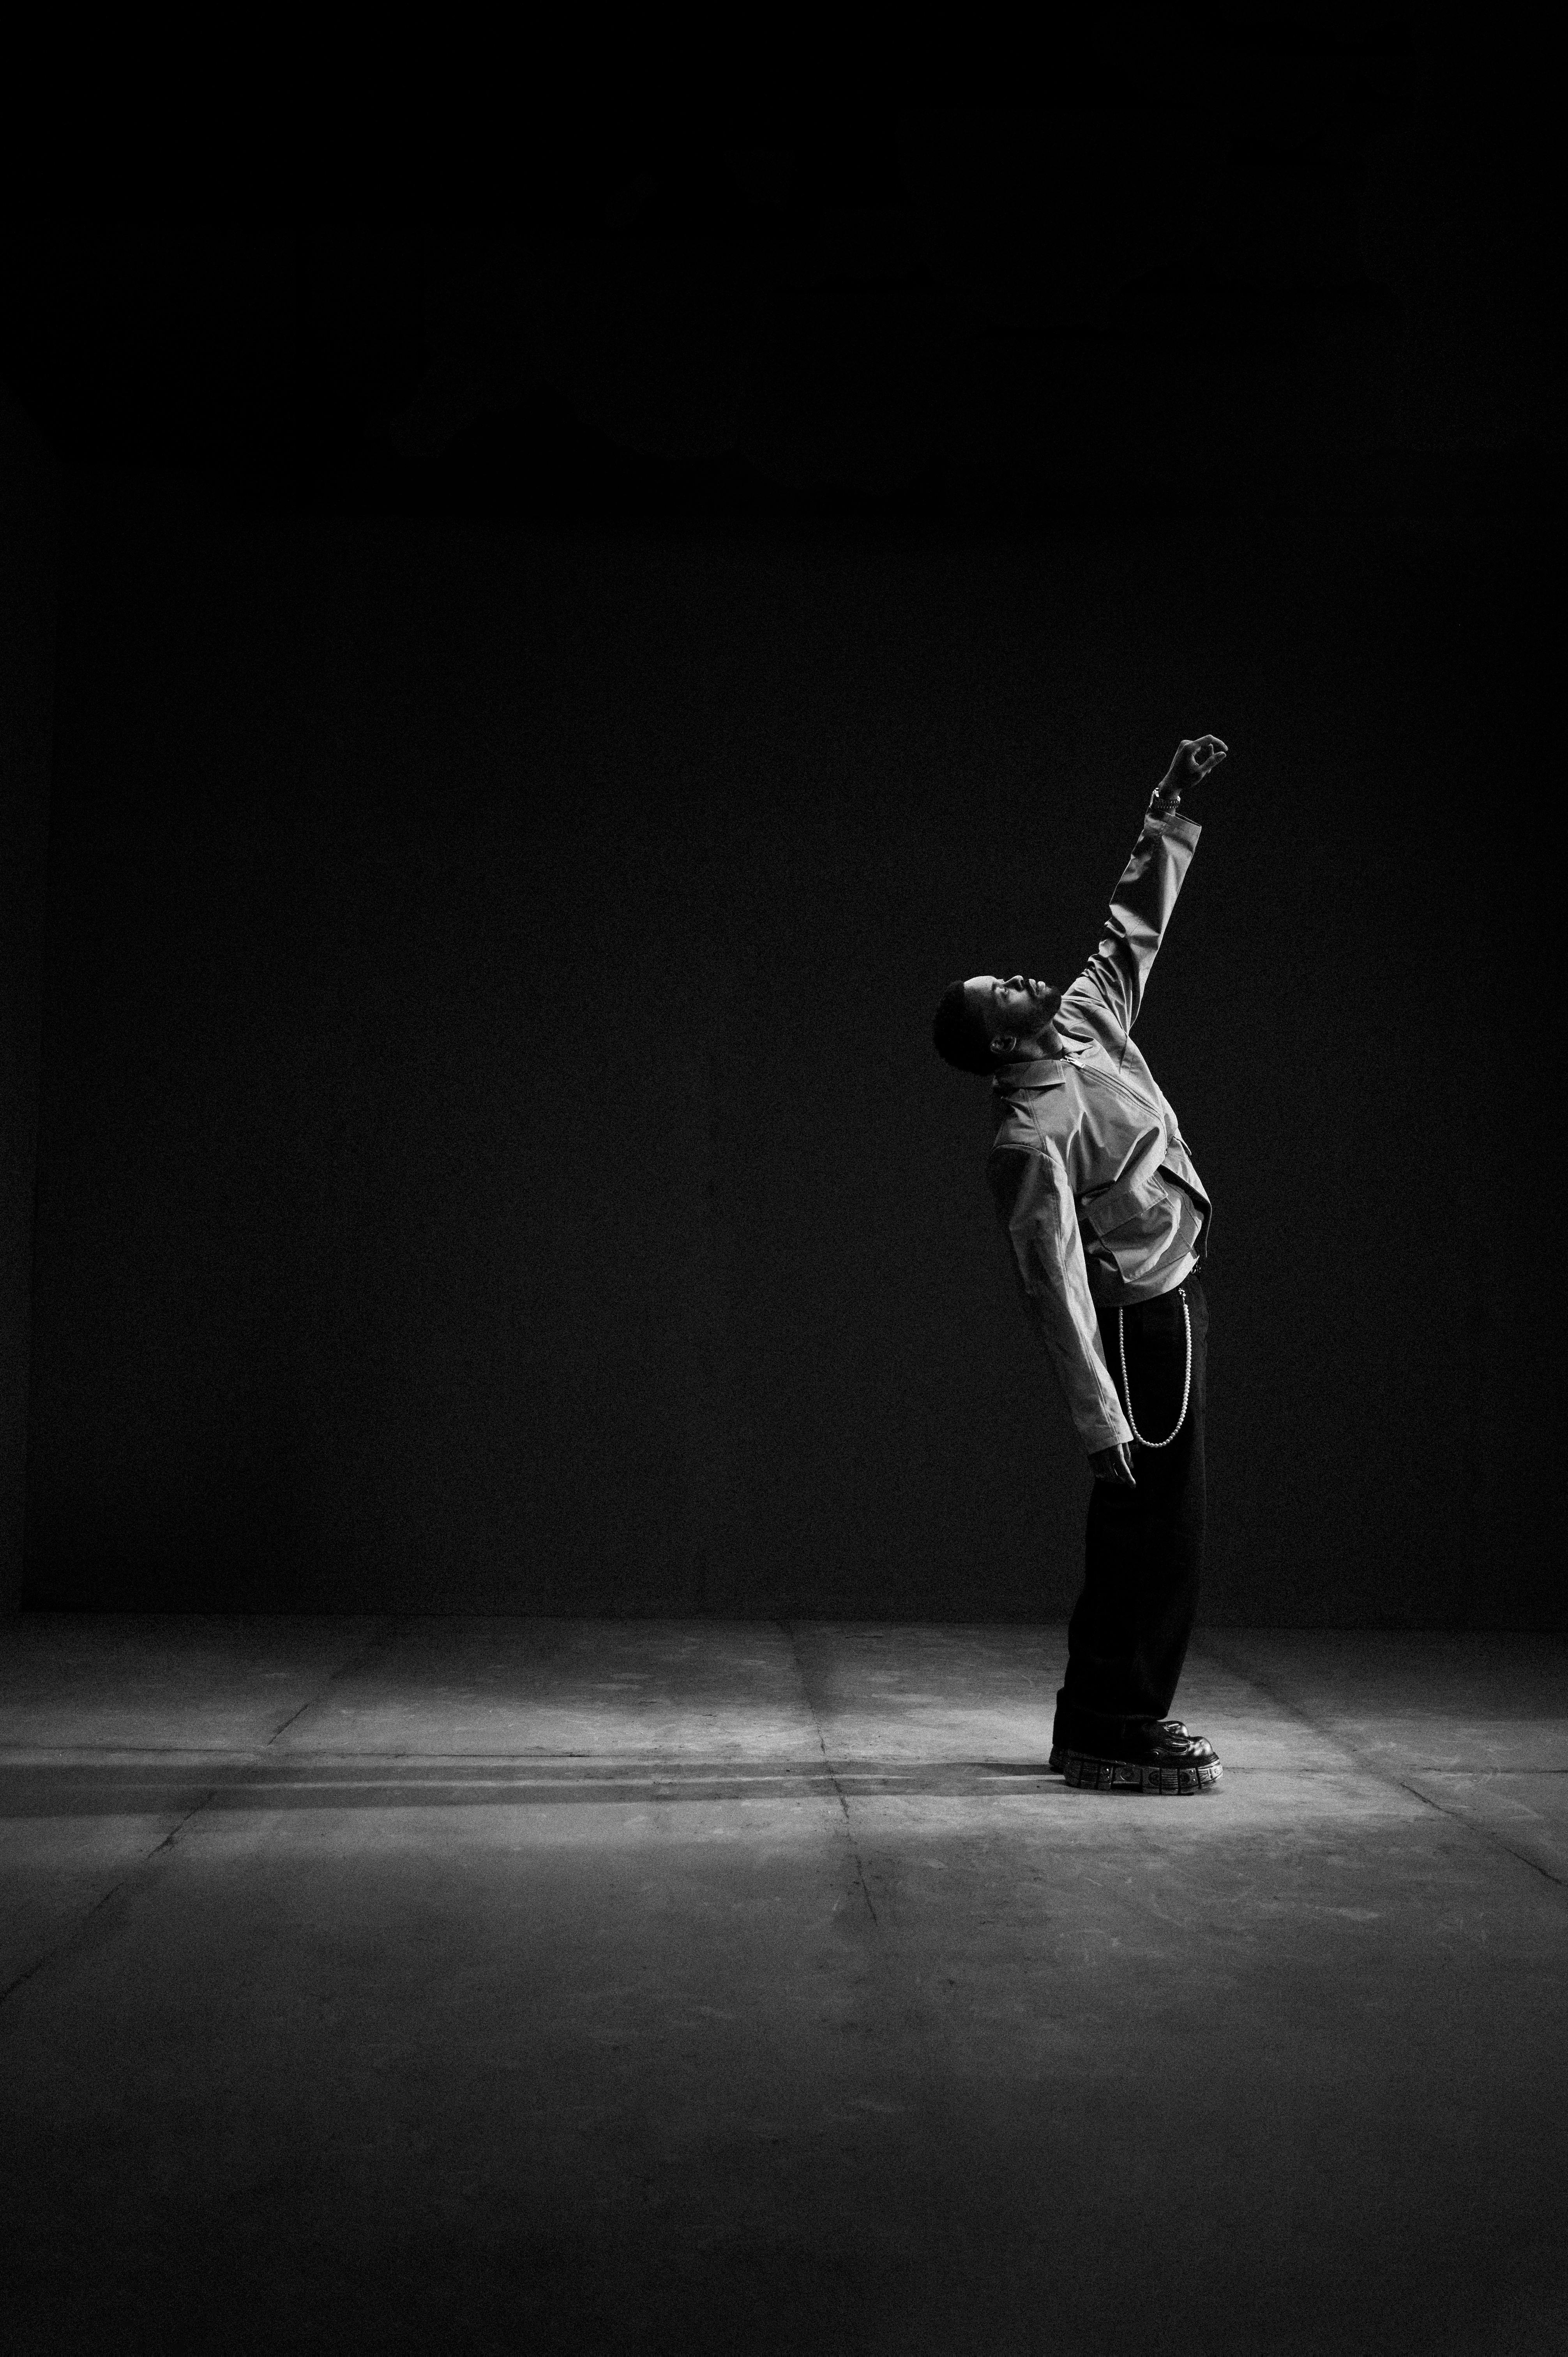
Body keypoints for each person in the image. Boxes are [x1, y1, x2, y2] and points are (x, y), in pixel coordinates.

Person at [931, 735, 1230, 1795]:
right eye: (1001, 993)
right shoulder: (1028, 1135)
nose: (1022, 977)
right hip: (1133, 1323)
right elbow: (1052, 1287)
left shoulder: (1089, 1020)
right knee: (1155, 1527)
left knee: (1169, 1527)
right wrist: (1100, 1421)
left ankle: (1116, 1710)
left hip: (1175, 1295)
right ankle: (1109, 1717)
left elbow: (1133, 922)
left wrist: (1171, 805)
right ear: (999, 1047)